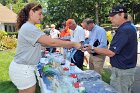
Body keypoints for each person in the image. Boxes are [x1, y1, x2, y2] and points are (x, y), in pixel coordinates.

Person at [9, 2, 81, 93]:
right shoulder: (29, 27)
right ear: (31, 12)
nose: (41, 16)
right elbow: (52, 42)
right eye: (39, 13)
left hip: (22, 68)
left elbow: (46, 43)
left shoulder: (28, 27)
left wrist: (64, 41)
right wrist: (73, 44)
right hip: (24, 70)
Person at [82, 5, 137, 93]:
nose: (110, 19)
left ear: (122, 15)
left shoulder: (125, 30)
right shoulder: (127, 28)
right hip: (123, 70)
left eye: (113, 16)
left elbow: (111, 52)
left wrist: (92, 48)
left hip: (122, 72)